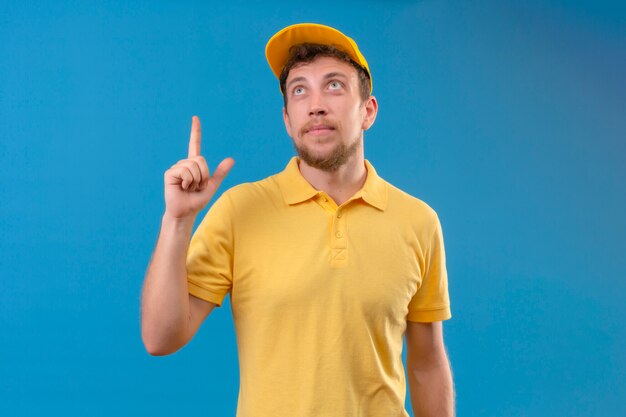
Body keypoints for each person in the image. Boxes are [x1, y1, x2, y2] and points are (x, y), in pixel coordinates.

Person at [141, 23, 454, 417]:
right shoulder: (241, 210)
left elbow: (426, 364)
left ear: (368, 111)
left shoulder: (418, 222)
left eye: (335, 86)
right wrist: (177, 221)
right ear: (288, 119)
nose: (316, 104)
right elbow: (160, 338)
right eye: (300, 90)